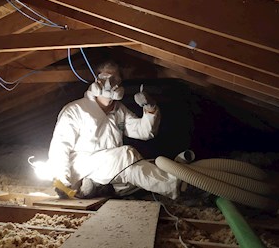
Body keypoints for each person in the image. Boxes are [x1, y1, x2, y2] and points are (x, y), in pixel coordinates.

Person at [46, 61, 180, 199]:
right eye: (105, 77)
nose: (109, 83)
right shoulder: (76, 110)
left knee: (136, 168)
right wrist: (62, 180)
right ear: (96, 80)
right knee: (127, 155)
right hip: (82, 167)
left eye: (115, 78)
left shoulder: (119, 110)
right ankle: (177, 187)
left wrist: (150, 109)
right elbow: (60, 147)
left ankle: (97, 188)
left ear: (120, 83)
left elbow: (144, 132)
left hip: (113, 167)